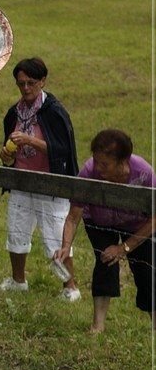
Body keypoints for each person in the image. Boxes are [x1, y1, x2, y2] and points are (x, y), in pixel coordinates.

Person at [0, 57, 81, 301]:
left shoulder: (54, 111)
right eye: (21, 83)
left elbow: (63, 150)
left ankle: (70, 287)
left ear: (42, 81)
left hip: (50, 184)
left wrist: (30, 140)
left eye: (30, 83)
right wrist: (6, 156)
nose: (25, 88)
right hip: (22, 181)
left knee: (56, 234)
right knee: (16, 230)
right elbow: (8, 149)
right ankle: (18, 281)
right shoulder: (14, 113)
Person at [56, 130, 155, 333]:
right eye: (96, 161)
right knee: (105, 260)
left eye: (104, 164)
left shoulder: (144, 173)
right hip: (99, 220)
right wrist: (65, 246)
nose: (97, 167)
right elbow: (73, 217)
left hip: (137, 224)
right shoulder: (88, 172)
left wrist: (125, 247)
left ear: (122, 161)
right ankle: (97, 325)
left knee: (147, 270)